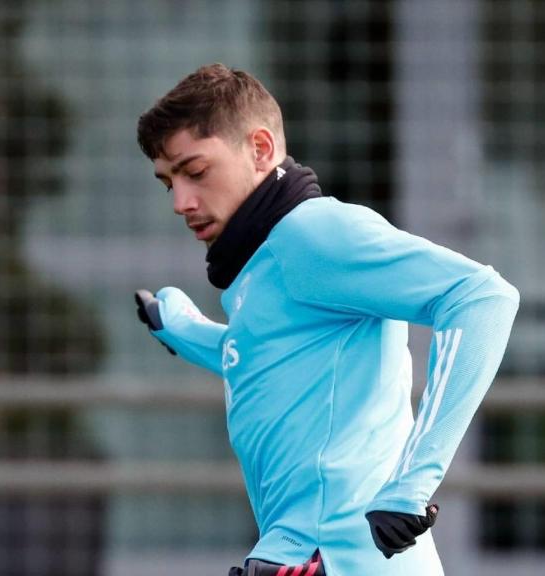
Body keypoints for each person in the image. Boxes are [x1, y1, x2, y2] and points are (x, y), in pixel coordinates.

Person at [133, 63, 519, 576]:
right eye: (169, 184)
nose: (182, 203)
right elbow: (273, 364)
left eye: (196, 172)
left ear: (261, 149)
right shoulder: (266, 264)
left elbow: (482, 297)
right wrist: (181, 328)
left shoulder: (313, 235)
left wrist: (412, 483)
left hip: (340, 558)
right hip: (302, 552)